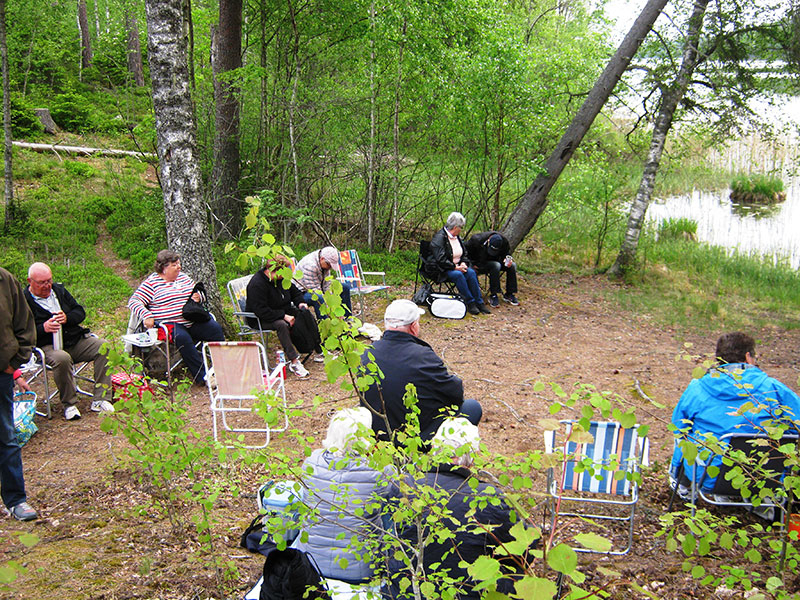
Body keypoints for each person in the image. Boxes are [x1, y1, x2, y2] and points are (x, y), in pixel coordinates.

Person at [384, 418, 532, 599]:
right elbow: (527, 546)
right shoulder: (487, 496)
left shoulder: (405, 485)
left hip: (404, 592)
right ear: (474, 454)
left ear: (433, 449)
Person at [670, 332, 800, 494]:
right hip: (765, 479)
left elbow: (678, 427)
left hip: (709, 477)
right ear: (747, 357)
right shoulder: (774, 388)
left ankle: (682, 486)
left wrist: (676, 470)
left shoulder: (698, 388)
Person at [293, 407, 395, 582]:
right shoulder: (382, 469)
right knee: (389, 507)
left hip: (311, 564)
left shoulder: (311, 462)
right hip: (362, 569)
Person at [361, 299, 482, 447]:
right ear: (413, 327)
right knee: (471, 408)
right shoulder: (423, 356)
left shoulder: (367, 355)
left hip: (378, 436)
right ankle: (442, 462)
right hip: (418, 438)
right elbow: (455, 395)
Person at [24, 262, 114, 420]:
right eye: (42, 282)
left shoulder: (59, 290)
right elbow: (21, 331)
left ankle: (101, 398)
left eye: (49, 281)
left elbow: (80, 312)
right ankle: (70, 404)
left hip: (73, 340)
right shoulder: (23, 301)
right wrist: (42, 328)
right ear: (30, 281)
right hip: (46, 346)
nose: (47, 286)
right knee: (62, 358)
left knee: (103, 346)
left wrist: (67, 318)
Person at [128, 250, 224, 383]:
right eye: (174, 265)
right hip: (169, 324)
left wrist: (198, 297)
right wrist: (147, 315)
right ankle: (203, 377)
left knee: (215, 329)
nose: (179, 267)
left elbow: (198, 293)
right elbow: (134, 301)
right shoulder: (152, 283)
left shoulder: (183, 278)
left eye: (179, 264)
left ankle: (223, 369)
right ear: (164, 268)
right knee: (183, 337)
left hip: (191, 320)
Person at [0, 267, 38, 521]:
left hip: (1, 372)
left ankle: (16, 500)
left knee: (6, 436)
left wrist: (14, 365)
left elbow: (25, 323)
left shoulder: (5, 280)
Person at [245, 257, 323, 378]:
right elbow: (260, 310)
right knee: (281, 324)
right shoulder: (257, 284)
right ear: (274, 271)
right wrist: (283, 316)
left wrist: (300, 302)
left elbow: (295, 292)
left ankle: (318, 349)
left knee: (305, 313)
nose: (285, 275)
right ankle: (294, 361)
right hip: (260, 318)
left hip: (282, 310)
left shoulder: (281, 280)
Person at [426, 212, 490, 316]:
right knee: (459, 275)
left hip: (457, 266)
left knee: (471, 273)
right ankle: (470, 302)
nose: (461, 230)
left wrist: (464, 263)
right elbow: (440, 260)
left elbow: (464, 253)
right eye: (461, 227)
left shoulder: (457, 238)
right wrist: (455, 267)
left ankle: (479, 302)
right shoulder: (439, 239)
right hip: (441, 269)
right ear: (455, 227)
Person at [464, 232, 519, 308]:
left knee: (512, 266)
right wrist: (472, 265)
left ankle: (509, 294)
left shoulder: (504, 241)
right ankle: (494, 294)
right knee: (496, 265)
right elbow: (465, 254)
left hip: (497, 261)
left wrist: (507, 259)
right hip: (480, 263)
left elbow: (507, 253)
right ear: (489, 241)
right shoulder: (476, 240)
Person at [296, 246, 352, 318]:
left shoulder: (324, 262)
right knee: (319, 298)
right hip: (302, 293)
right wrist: (331, 310)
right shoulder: (310, 266)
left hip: (319, 286)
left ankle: (347, 319)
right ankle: (326, 323)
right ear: (322, 259)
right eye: (329, 265)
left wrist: (333, 302)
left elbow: (327, 285)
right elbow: (315, 291)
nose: (330, 268)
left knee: (344, 287)